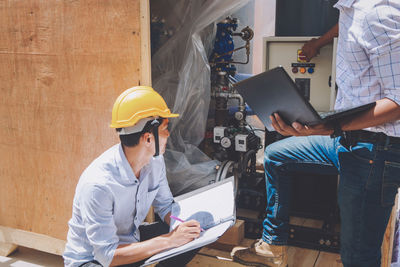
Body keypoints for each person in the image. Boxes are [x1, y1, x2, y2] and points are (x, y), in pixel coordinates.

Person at [232, 1, 400, 266]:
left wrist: (331, 126)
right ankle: (273, 246)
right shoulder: (351, 9)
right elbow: (349, 25)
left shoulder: (380, 13)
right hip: (348, 141)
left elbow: (399, 102)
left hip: (374, 151)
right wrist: (318, 43)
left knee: (358, 255)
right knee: (276, 156)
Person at [63, 86, 201, 267]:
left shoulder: (155, 162)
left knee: (193, 234)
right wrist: (169, 240)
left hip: (129, 241)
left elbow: (166, 206)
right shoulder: (99, 185)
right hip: (94, 261)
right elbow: (107, 256)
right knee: (173, 238)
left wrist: (182, 227)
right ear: (148, 138)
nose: (168, 134)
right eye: (166, 128)